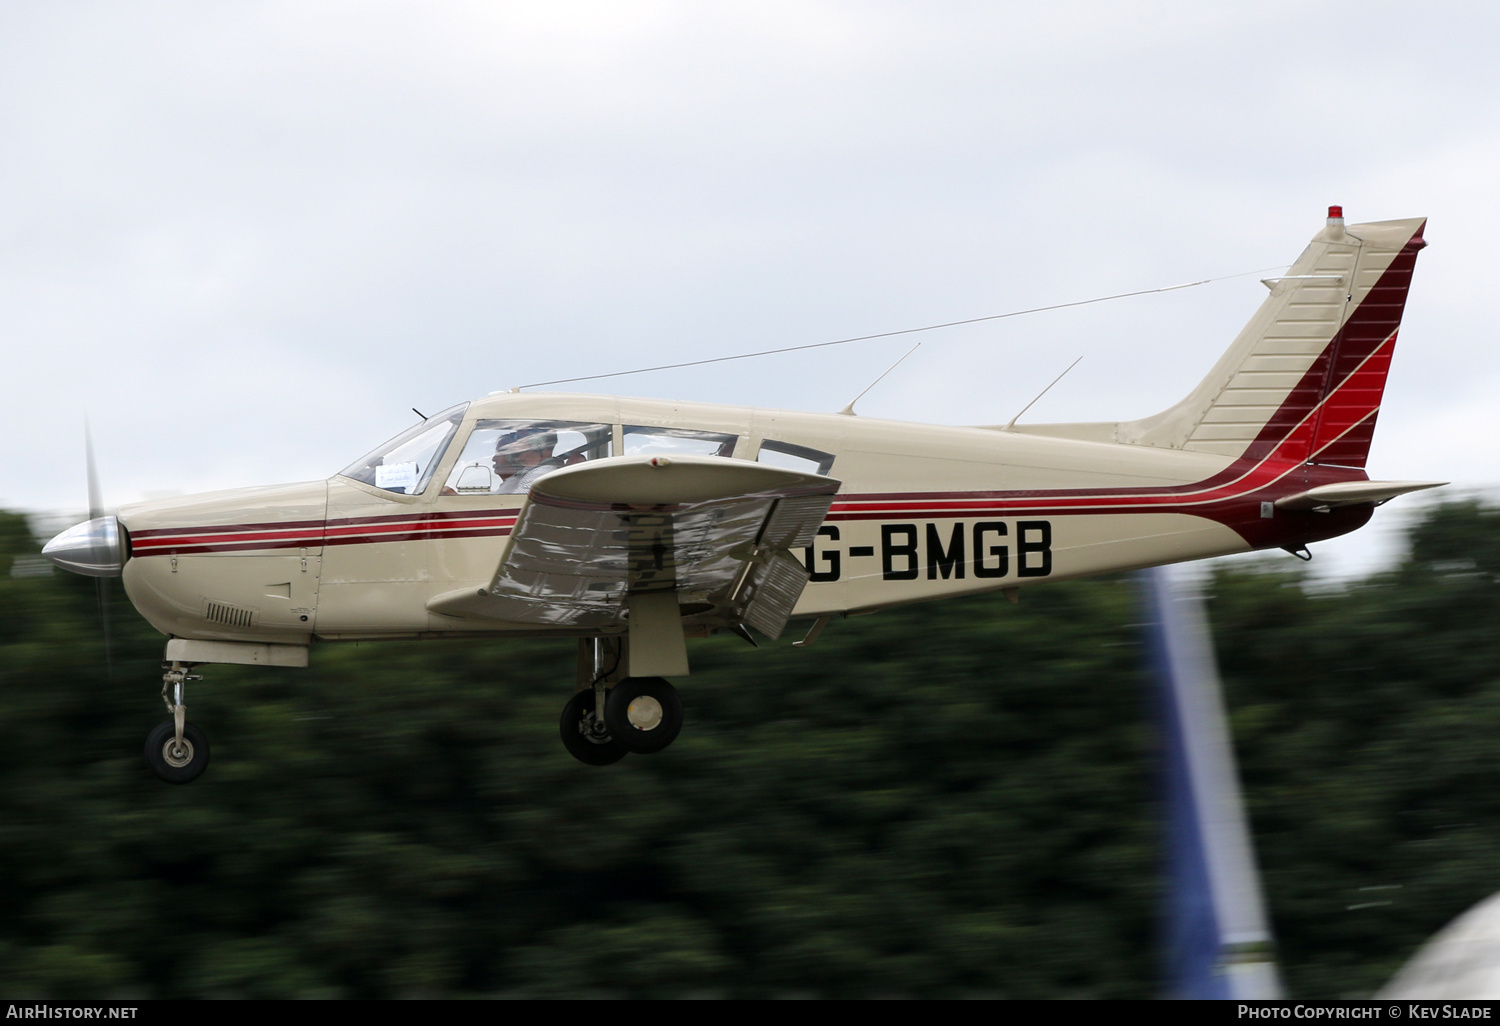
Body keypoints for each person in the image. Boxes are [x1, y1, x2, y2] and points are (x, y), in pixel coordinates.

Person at [493, 428, 562, 493]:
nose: (513, 445)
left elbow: (512, 503)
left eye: (519, 438)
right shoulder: (526, 475)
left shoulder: (541, 475)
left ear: (537, 443)